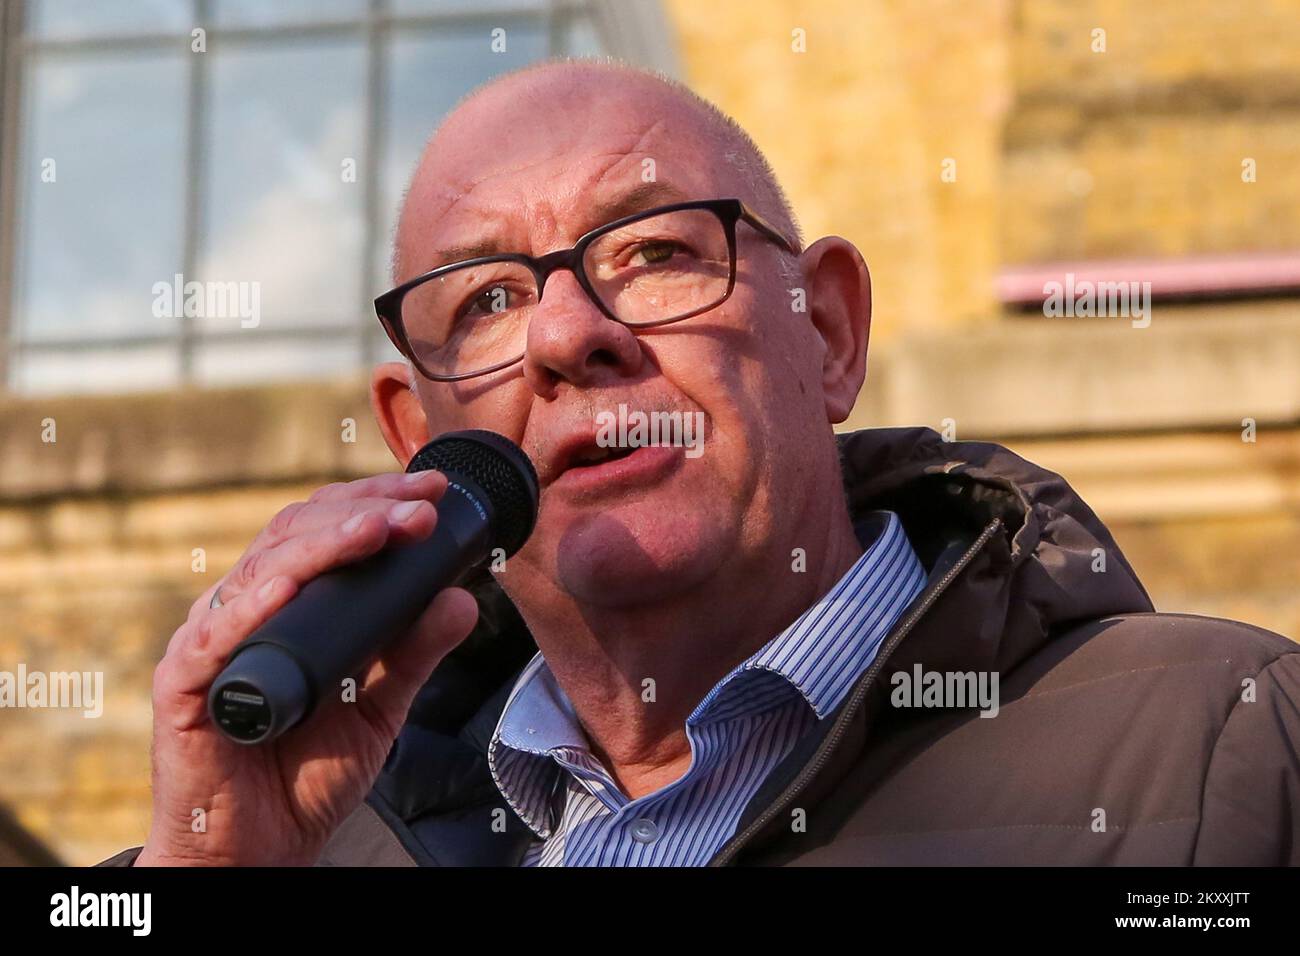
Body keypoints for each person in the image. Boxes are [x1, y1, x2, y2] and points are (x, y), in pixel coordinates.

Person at [102, 58, 1299, 867]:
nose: (570, 334)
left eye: (653, 250)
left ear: (827, 333)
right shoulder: (303, 839)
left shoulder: (1221, 745)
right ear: (421, 443)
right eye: (486, 301)